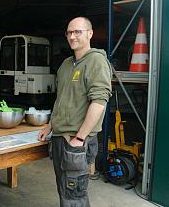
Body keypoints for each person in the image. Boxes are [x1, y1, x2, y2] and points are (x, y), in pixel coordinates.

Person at [38, 17, 112, 207]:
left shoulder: (96, 61)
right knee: (65, 191)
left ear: (90, 33)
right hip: (60, 138)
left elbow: (99, 101)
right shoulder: (65, 65)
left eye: (77, 31)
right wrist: (49, 126)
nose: (72, 36)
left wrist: (79, 138)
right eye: (69, 32)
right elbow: (61, 99)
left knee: (74, 196)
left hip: (77, 140)